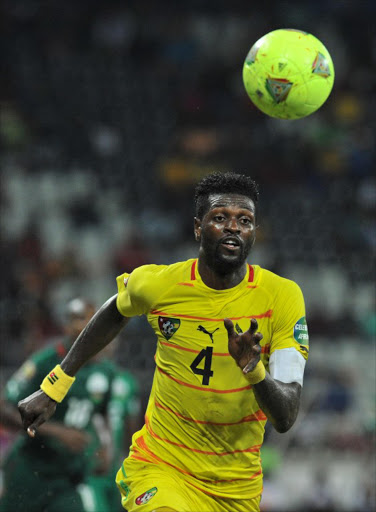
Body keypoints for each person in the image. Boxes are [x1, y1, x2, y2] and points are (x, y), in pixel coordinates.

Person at [18, 172, 309, 512]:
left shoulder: (283, 298)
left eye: (245, 221)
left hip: (235, 488)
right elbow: (115, 310)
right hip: (162, 466)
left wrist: (252, 368)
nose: (234, 227)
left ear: (254, 234)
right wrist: (56, 385)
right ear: (198, 228)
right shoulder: (159, 284)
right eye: (220, 218)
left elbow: (286, 415)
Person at [1, 298, 140, 512]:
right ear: (65, 325)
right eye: (76, 319)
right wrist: (58, 432)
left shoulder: (107, 373)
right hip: (31, 469)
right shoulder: (45, 361)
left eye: (88, 319)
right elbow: (4, 410)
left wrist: (106, 448)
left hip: (70, 477)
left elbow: (105, 414)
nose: (81, 326)